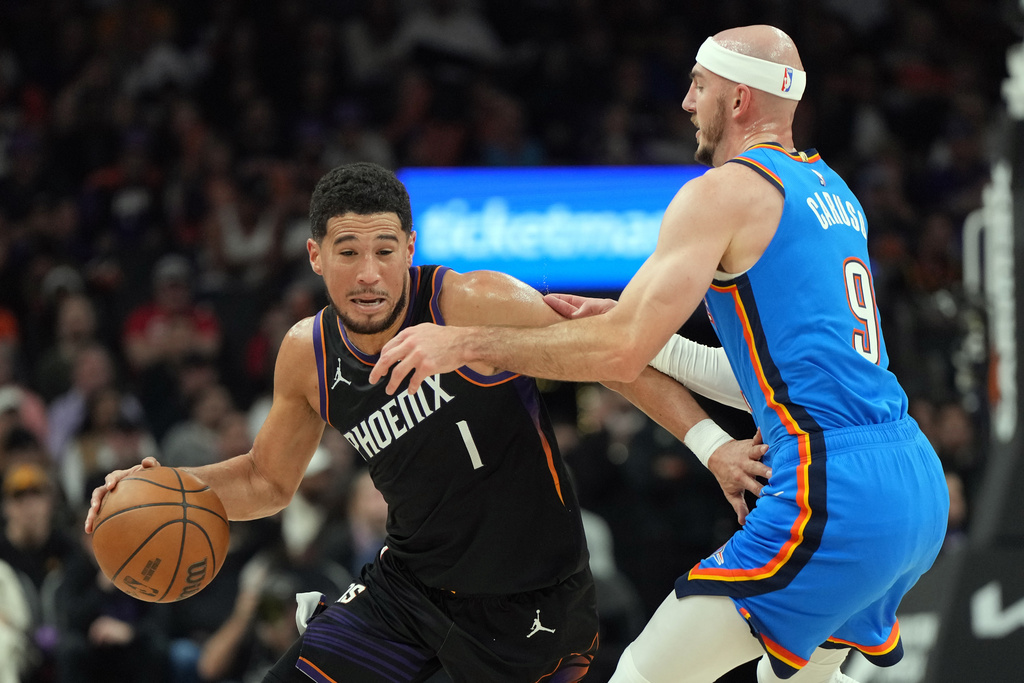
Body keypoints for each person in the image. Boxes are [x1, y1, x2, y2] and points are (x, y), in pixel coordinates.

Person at [370, 25, 950, 683]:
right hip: (911, 482)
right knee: (800, 678)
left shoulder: (722, 192)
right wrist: (663, 343)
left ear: (737, 100)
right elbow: (781, 382)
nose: (684, 101)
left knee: (644, 674)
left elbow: (618, 353)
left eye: (699, 84)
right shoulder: (835, 195)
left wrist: (464, 343)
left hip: (834, 491)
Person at [85, 162, 766, 682]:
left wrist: (713, 449)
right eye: (348, 251)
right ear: (316, 255)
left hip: (535, 605)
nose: (369, 272)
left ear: (410, 245)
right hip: (408, 590)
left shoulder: (475, 299)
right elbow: (268, 480)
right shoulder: (307, 355)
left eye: (385, 248)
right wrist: (170, 484)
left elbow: (618, 357)